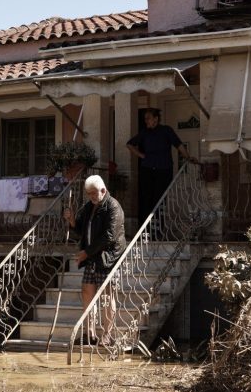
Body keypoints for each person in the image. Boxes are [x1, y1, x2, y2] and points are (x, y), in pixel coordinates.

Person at [62, 174, 126, 343]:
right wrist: (72, 220)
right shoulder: (89, 206)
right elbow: (80, 230)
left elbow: (109, 236)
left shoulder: (114, 207)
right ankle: (89, 334)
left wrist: (86, 253)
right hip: (92, 256)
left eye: (93, 193)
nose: (91, 196)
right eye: (88, 193)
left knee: (107, 296)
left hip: (108, 258)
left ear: (103, 190)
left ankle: (107, 335)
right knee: (87, 292)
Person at [126, 108, 196, 224]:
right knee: (146, 198)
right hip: (147, 169)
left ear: (156, 119)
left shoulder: (166, 130)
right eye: (145, 119)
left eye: (148, 118)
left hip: (164, 169)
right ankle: (146, 230)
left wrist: (188, 157)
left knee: (160, 199)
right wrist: (142, 156)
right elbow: (129, 144)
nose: (146, 121)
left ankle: (158, 230)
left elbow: (178, 145)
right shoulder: (144, 132)